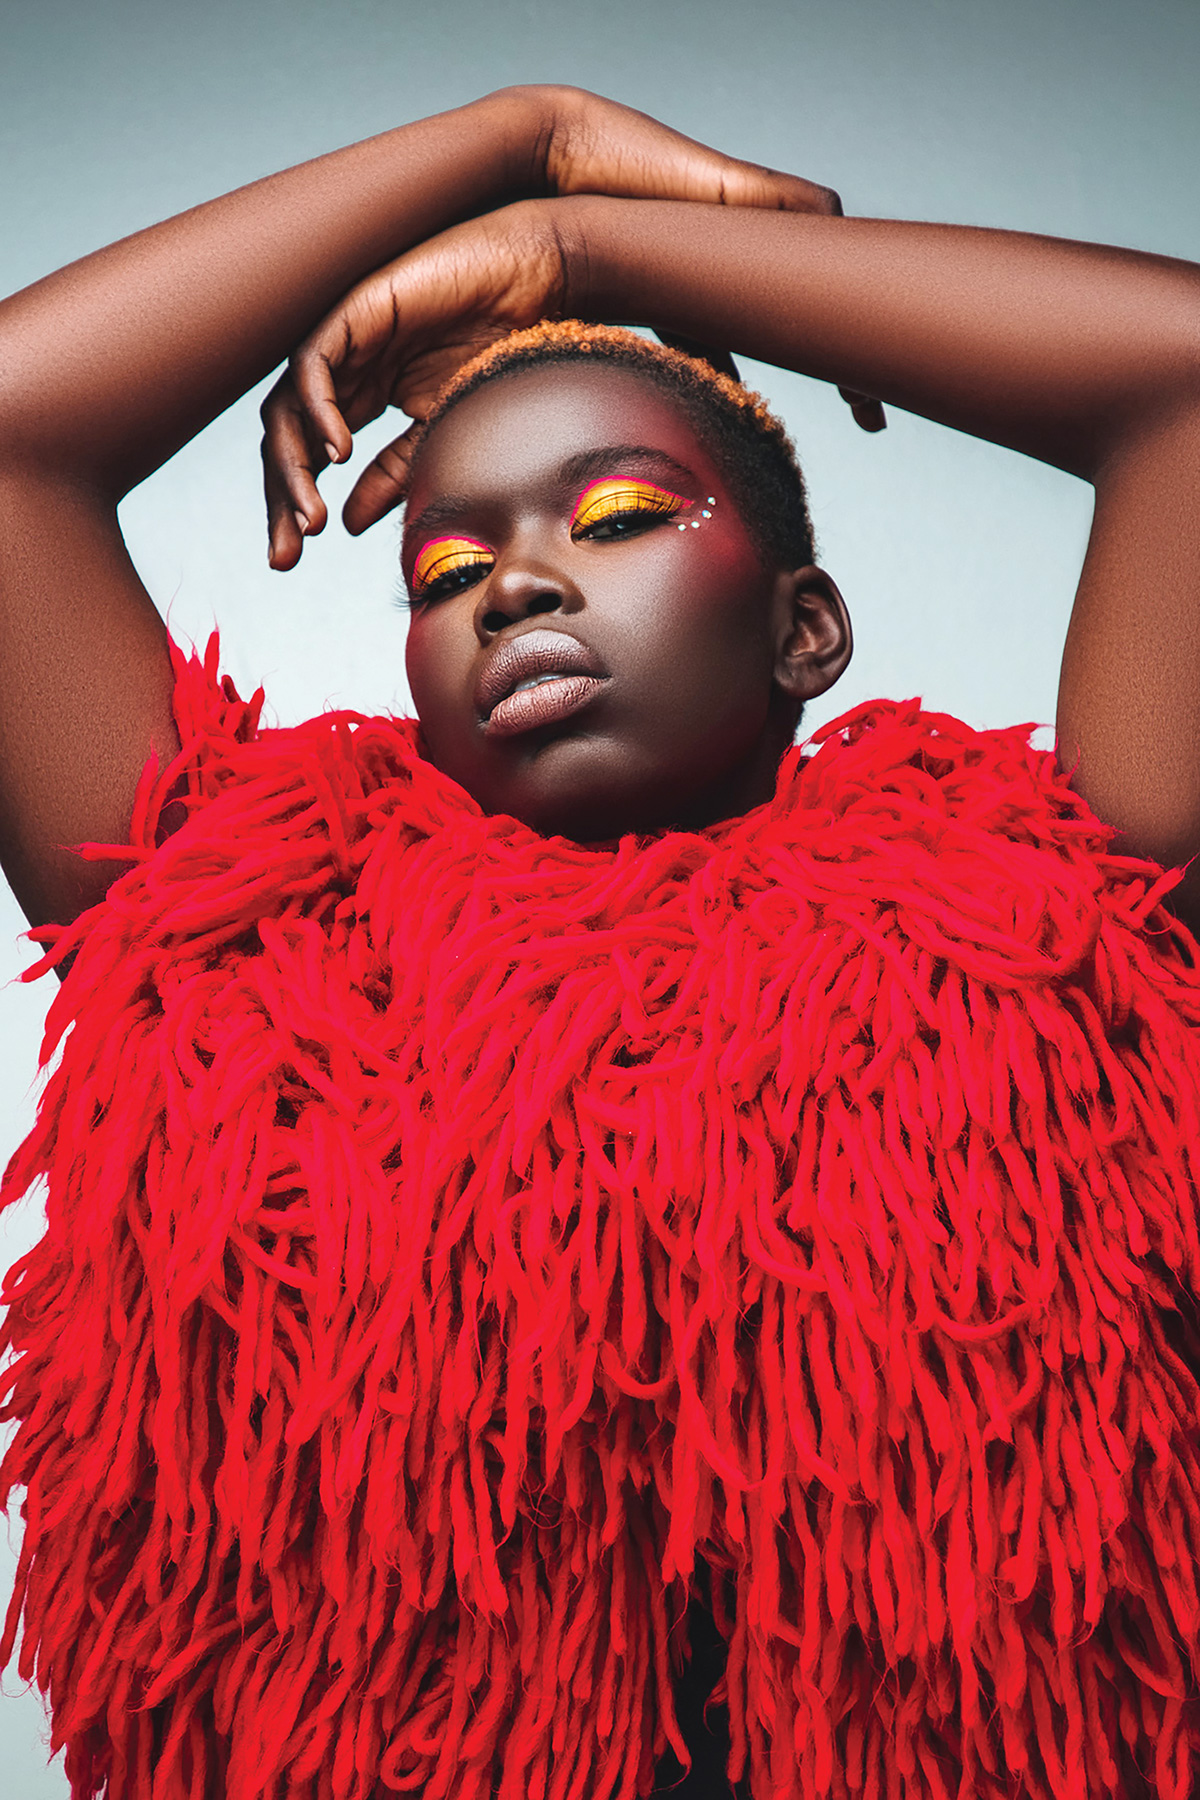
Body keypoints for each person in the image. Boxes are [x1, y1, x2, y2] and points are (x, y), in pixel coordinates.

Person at [2, 82, 1200, 1800]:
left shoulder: (1033, 926)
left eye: (620, 516)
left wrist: (596, 248)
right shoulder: (248, 943)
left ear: (808, 629)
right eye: (443, 567)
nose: (515, 584)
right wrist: (522, 138)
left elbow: (1182, 377)